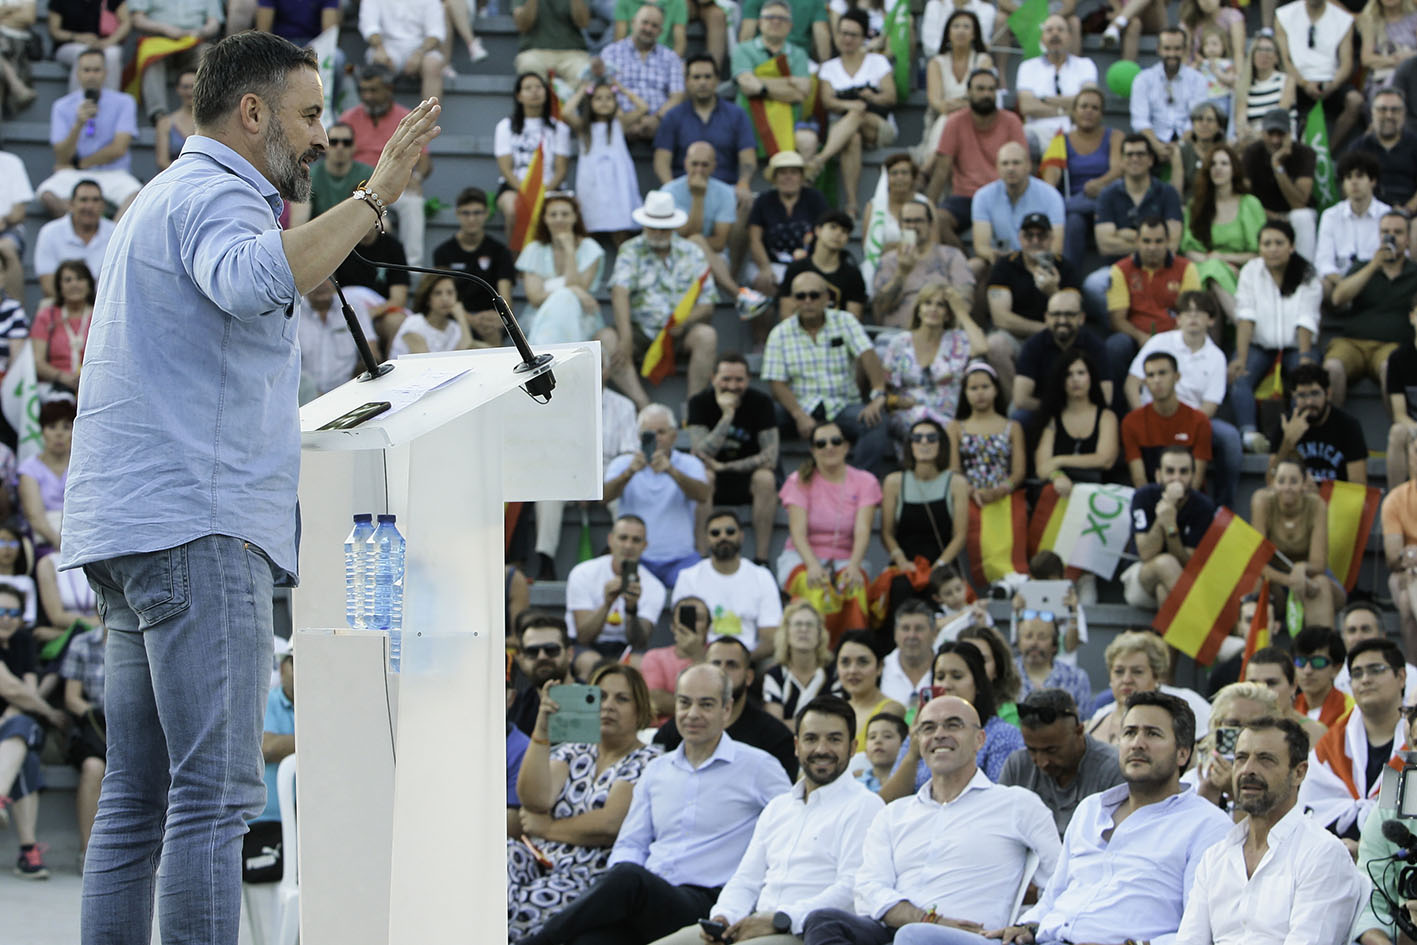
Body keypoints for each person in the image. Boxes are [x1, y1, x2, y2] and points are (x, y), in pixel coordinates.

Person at [62, 47, 416, 945]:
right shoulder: (221, 193)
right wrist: (371, 201)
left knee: (137, 801)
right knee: (216, 796)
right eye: (308, 115)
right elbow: (252, 277)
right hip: (198, 524)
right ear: (252, 114)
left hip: (134, 529)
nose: (322, 134)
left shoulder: (159, 197)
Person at [516, 664, 792, 945]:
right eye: (684, 703)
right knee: (588, 940)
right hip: (649, 897)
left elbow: (792, 829)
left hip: (709, 901)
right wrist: (620, 893)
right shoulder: (658, 770)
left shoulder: (758, 766)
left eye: (706, 704)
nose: (693, 714)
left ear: (726, 709)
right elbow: (630, 843)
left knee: (628, 877)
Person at [801, 695, 1061, 945]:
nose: (939, 734)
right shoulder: (894, 813)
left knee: (914, 936)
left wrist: (1028, 925)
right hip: (896, 930)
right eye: (928, 728)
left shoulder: (1016, 804)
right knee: (823, 921)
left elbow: (1062, 878)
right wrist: (929, 920)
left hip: (974, 936)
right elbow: (868, 889)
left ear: (979, 740)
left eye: (953, 725)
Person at [996, 692, 1233, 945]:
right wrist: (1027, 925)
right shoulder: (1091, 809)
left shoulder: (1207, 825)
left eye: (1152, 734)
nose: (1137, 743)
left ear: (1182, 754)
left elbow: (1197, 932)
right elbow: (1054, 894)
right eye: (1130, 732)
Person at [649, 696, 885, 945]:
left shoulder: (865, 806)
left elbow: (850, 890)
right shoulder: (778, 807)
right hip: (754, 925)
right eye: (811, 738)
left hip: (804, 932)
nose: (821, 749)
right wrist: (724, 917)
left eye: (834, 739)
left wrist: (779, 919)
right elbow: (746, 879)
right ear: (796, 745)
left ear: (852, 747)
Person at [1176, 717, 1365, 945]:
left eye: (1265, 760)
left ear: (1299, 773)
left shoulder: (1322, 854)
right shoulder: (1215, 857)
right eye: (1241, 758)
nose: (1248, 770)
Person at [508, 664, 662, 940]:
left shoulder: (649, 761)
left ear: (641, 710)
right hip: (540, 860)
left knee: (518, 913)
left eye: (622, 699)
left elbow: (610, 824)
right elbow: (534, 799)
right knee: (499, 860)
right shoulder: (576, 749)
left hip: (588, 874)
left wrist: (546, 829)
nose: (608, 706)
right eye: (600, 697)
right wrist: (542, 729)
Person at [763, 271, 892, 476]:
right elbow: (776, 383)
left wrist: (878, 393)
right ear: (793, 300)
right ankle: (777, 484)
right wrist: (798, 414)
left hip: (843, 405)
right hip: (799, 407)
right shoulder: (779, 333)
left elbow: (868, 355)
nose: (807, 301)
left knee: (877, 421)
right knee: (763, 418)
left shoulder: (845, 321)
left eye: (814, 295)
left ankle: (858, 485)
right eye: (800, 296)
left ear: (826, 298)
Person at [1122, 293, 1239, 501]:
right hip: (1153, 412)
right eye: (1187, 313)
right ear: (1178, 319)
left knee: (1229, 438)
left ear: (1211, 320)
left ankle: (1223, 508)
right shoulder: (1160, 341)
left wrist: (1183, 426)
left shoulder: (1217, 357)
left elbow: (1210, 405)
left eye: (1199, 313)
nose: (1192, 318)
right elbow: (1132, 384)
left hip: (1194, 419)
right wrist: (1143, 417)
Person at [606, 192, 720, 407]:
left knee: (707, 336)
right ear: (644, 225)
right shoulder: (630, 250)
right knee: (606, 339)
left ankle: (693, 407)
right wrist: (626, 336)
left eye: (664, 227)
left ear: (673, 226)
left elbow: (707, 304)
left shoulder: (693, 252)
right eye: (653, 226)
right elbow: (619, 292)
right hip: (639, 329)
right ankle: (645, 407)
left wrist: (685, 322)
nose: (658, 232)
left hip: (679, 331)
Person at [881, 640, 1027, 792]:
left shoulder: (1003, 735)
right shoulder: (920, 734)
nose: (946, 685)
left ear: (977, 684)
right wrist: (913, 754)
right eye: (940, 676)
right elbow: (887, 802)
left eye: (957, 676)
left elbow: (1001, 798)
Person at [1299, 638, 1408, 838]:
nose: (1365, 679)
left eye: (1376, 669)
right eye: (1357, 674)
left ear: (1401, 676)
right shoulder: (1332, 745)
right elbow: (1310, 811)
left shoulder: (1414, 744)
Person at [654, 636, 798, 777]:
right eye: (716, 663)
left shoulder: (775, 737)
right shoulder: (680, 728)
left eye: (732, 665)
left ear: (749, 677)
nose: (722, 671)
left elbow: (785, 798)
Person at [1081, 134, 1185, 324]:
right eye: (1129, 155)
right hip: (1119, 268)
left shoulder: (1167, 193)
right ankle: (1124, 326)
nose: (1135, 159)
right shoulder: (1108, 194)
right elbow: (1105, 244)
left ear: (1151, 160)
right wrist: (1152, 242)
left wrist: (1126, 234)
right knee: (1093, 285)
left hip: (1161, 270)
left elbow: (1172, 245)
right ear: (1121, 161)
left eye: (1140, 154)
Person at [0, 583, 66, 880]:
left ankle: (1, 800)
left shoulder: (22, 641)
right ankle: (28, 852)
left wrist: (24, 707)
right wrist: (49, 711)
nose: (7, 618)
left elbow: (26, 691)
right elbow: (10, 687)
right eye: (1, 611)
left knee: (22, 728)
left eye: (14, 612)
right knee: (26, 750)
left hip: (12, 733)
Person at [685, 354, 780, 562]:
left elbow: (770, 456)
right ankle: (702, 556)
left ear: (748, 380)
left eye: (739, 380)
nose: (732, 386)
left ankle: (761, 559)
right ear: (713, 378)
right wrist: (727, 415)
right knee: (703, 476)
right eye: (726, 379)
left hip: (747, 477)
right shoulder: (699, 403)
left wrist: (724, 467)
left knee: (766, 478)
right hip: (712, 477)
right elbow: (701, 453)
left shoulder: (761, 403)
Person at [339, 65, 435, 266]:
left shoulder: (406, 117)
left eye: (373, 90)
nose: (368, 96)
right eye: (364, 90)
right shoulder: (348, 118)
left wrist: (415, 178)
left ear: (389, 89)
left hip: (396, 184)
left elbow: (425, 161)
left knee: (414, 203)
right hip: (359, 186)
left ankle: (411, 268)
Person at [776, 420, 882, 597]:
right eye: (821, 443)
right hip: (802, 556)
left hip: (847, 558)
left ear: (846, 447)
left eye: (836, 441)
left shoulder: (866, 481)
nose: (829, 447)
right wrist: (813, 565)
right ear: (813, 451)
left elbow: (863, 531)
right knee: (815, 587)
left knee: (854, 590)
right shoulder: (799, 480)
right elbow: (797, 533)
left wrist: (854, 566)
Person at [1000, 689, 1124, 837]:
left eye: (1051, 750)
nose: (1041, 762)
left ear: (1079, 732)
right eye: (1032, 750)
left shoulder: (1112, 769)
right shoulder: (1017, 766)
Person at [926, 69, 1028, 248]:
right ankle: (963, 265)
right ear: (969, 92)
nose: (986, 94)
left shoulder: (1012, 121)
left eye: (991, 89)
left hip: (1004, 195)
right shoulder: (954, 122)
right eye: (980, 89)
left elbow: (1023, 166)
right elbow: (942, 171)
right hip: (966, 198)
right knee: (938, 222)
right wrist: (928, 209)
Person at [36, 49, 143, 219]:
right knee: (47, 194)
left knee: (137, 196)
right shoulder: (62, 106)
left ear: (105, 73)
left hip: (113, 172)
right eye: (86, 70)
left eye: (96, 70)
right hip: (74, 175)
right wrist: (78, 124)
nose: (91, 76)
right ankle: (83, 231)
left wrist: (80, 163)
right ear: (78, 73)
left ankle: (109, 238)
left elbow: (118, 149)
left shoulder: (124, 102)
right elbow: (62, 156)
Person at [983, 215, 1081, 396]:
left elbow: (1075, 317)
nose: (1035, 241)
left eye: (1041, 236)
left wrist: (1054, 292)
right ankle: (1016, 404)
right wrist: (1044, 328)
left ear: (1052, 239)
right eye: (1029, 236)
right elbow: (1000, 318)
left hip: (1056, 338)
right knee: (995, 344)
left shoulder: (1065, 267)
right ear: (1020, 238)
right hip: (1019, 337)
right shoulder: (1005, 266)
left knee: (1075, 343)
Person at [812, 11, 897, 216]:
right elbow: (826, 101)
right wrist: (852, 106)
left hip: (878, 125)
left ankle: (819, 160)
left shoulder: (877, 61)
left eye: (853, 34)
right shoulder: (829, 67)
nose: (847, 39)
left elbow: (891, 97)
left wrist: (870, 98)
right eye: (843, 33)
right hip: (845, 130)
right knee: (854, 138)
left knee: (858, 116)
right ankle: (851, 204)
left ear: (862, 37)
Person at [662, 140, 764, 309]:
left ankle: (736, 295)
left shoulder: (725, 192)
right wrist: (698, 197)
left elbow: (720, 242)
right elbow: (683, 237)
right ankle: (738, 294)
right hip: (670, 254)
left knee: (698, 242)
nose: (699, 170)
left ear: (714, 166)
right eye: (694, 164)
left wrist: (697, 240)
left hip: (712, 256)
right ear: (685, 163)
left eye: (705, 165)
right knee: (695, 239)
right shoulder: (669, 191)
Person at [1337, 211, 1417, 423]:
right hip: (1352, 344)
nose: (1391, 237)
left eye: (1398, 232)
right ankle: (1334, 436)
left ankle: (1399, 432)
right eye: (1385, 232)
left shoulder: (1415, 272)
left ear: (1408, 239)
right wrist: (1374, 265)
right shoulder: (1362, 266)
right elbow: (1338, 298)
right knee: (1332, 368)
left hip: (1391, 345)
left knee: (1391, 367)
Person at [671, 509, 782, 661]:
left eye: (730, 531)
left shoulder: (762, 576)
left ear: (741, 536)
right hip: (700, 658)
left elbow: (771, 636)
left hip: (750, 659)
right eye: (715, 533)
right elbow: (684, 633)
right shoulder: (688, 577)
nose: (723, 536)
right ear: (706, 539)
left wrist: (739, 662)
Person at [1105, 216, 1202, 388]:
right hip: (1137, 339)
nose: (1152, 247)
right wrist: (1142, 337)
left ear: (1168, 242)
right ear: (1137, 241)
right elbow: (1117, 319)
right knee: (1115, 345)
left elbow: (1190, 314)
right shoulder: (1120, 269)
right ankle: (1118, 407)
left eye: (1158, 241)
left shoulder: (1187, 268)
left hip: (1175, 339)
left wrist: (1165, 341)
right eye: (1146, 241)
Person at [652, 54, 757, 210]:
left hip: (726, 190)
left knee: (747, 201)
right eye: (696, 77)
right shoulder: (673, 116)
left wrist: (743, 183)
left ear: (716, 80)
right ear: (687, 81)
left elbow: (747, 158)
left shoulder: (737, 115)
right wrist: (672, 190)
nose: (702, 82)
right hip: (685, 190)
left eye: (708, 77)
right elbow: (662, 160)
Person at [879, 283, 985, 438]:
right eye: (927, 303)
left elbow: (982, 347)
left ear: (948, 314)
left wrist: (960, 311)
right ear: (919, 310)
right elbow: (883, 389)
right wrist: (896, 402)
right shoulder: (899, 343)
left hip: (948, 418)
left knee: (951, 430)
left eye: (940, 305)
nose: (933, 309)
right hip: (909, 415)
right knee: (924, 424)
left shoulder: (958, 340)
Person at [1120, 447, 1215, 610]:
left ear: (1192, 476)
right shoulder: (1143, 497)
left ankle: (1166, 636)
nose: (1176, 478)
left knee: (1163, 590)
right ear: (1158, 475)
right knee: (1166, 562)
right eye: (1170, 471)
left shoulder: (1203, 507)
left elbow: (1188, 563)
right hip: (1140, 577)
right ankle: (1203, 624)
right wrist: (1162, 518)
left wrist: (1171, 527)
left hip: (1180, 582)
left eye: (1183, 472)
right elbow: (1145, 553)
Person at [1251, 455, 1340, 627]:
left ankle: (1320, 650)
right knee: (1254, 581)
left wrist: (1302, 568)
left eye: (1293, 481)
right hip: (1275, 578)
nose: (1287, 487)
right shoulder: (1262, 501)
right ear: (1273, 483)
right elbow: (1257, 562)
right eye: (1281, 481)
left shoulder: (1317, 505)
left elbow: (1319, 563)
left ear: (1304, 484)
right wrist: (1290, 580)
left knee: (1320, 584)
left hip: (1309, 576)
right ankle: (1252, 649)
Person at [1181, 143, 1266, 322]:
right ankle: (1241, 323)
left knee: (1212, 282)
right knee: (1211, 273)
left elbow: (1260, 252)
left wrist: (1223, 259)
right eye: (1213, 164)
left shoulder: (1250, 204)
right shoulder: (1196, 205)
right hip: (1204, 267)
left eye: (1224, 163)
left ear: (1234, 169)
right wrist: (1215, 262)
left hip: (1243, 269)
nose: (1218, 168)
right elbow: (1189, 249)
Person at [882, 418, 970, 586]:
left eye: (931, 438)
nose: (924, 442)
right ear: (910, 445)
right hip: (905, 568)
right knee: (900, 588)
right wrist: (901, 562)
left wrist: (939, 567)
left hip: (943, 568)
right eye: (917, 438)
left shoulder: (957, 483)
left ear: (941, 444)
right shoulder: (894, 482)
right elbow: (887, 533)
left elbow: (960, 535)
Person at [566, 514, 668, 660]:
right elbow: (583, 637)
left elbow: (639, 643)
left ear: (644, 546)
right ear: (610, 540)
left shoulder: (655, 586)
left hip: (626, 648)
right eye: (623, 538)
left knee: (640, 663)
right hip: (586, 648)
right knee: (589, 661)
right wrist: (607, 603)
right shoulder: (583, 573)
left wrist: (631, 609)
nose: (628, 546)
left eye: (636, 540)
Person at [1042, 87, 1122, 271]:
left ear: (1102, 113)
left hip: (1105, 198)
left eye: (1094, 108)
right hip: (1077, 205)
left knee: (1098, 212)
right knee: (1074, 222)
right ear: (1074, 111)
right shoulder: (1061, 139)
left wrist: (1100, 183)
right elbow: (1050, 179)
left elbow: (1118, 168)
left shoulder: (1115, 136)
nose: (1088, 111)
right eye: (1083, 106)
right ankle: (1071, 280)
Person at [492, 72, 572, 250]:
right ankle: (515, 265)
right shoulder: (505, 127)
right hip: (515, 187)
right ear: (519, 95)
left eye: (539, 87)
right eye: (528, 88)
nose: (534, 92)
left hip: (550, 188)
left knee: (559, 213)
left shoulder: (560, 129)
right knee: (513, 210)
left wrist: (541, 193)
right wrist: (527, 193)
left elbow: (560, 170)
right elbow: (506, 169)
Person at [516, 192, 607, 347]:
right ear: (544, 218)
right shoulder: (533, 250)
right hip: (539, 316)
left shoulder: (591, 249)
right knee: (564, 298)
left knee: (567, 298)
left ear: (575, 217)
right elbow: (535, 298)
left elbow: (578, 293)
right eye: (553, 214)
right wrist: (574, 290)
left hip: (582, 317)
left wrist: (569, 249)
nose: (559, 219)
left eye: (565, 214)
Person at [872, 201, 976, 330]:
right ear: (900, 225)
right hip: (896, 336)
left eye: (918, 221)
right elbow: (880, 310)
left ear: (930, 225)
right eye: (907, 221)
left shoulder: (952, 256)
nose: (913, 226)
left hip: (941, 335)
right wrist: (902, 272)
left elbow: (964, 304)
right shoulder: (888, 260)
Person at [1274, 0, 1364, 149]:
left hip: (1329, 80)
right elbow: (1285, 61)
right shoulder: (1284, 15)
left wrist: (1332, 85)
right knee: (1284, 99)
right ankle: (1286, 149)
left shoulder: (1343, 19)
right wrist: (1304, 83)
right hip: (1296, 79)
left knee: (1355, 102)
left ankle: (1328, 150)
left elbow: (1346, 64)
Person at [730, 0, 813, 161]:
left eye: (782, 19)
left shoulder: (798, 54)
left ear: (790, 26)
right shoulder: (743, 50)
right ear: (760, 23)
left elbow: (801, 93)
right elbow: (747, 85)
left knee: (808, 140)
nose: (776, 21)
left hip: (790, 120)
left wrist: (760, 85)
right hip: (751, 119)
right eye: (770, 17)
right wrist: (789, 82)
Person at [1264, 361, 1368, 484]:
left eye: (1315, 393)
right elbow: (1271, 482)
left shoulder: (1348, 426)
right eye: (1301, 395)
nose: (1309, 402)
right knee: (1261, 498)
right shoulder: (1286, 424)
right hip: (1298, 499)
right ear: (1293, 397)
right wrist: (1287, 442)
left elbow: (1358, 486)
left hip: (1336, 498)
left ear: (1328, 393)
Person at [745, 150, 829, 300]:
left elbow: (826, 234)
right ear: (774, 178)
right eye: (782, 173)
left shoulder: (815, 199)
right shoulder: (763, 201)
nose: (788, 177)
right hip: (771, 263)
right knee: (762, 282)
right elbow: (754, 239)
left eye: (793, 172)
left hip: (810, 264)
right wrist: (765, 268)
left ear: (802, 177)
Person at [1122, 352, 1212, 490]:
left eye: (1162, 373)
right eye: (1151, 375)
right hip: (1151, 500)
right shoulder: (1131, 422)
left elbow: (1196, 480)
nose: (1157, 380)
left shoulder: (1199, 421)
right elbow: (1139, 479)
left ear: (1177, 376)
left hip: (1189, 503)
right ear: (1145, 382)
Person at [1013, 289, 1109, 416]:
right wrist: (1060, 410)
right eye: (1056, 314)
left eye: (1069, 314)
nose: (1062, 320)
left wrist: (1074, 412)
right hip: (1045, 410)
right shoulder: (1033, 346)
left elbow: (1106, 398)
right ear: (1046, 318)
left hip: (1084, 412)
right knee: (1018, 414)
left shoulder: (1096, 347)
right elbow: (1021, 399)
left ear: (1081, 318)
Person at [1035, 350, 1119, 496]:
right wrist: (1057, 476)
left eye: (1081, 373)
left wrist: (1059, 461)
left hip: (1099, 496)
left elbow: (1105, 460)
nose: (1075, 379)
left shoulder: (1106, 417)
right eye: (1068, 374)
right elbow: (1042, 469)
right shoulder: (1052, 419)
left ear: (1091, 377)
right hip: (1059, 495)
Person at [916, 10, 994, 164]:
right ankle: (933, 163)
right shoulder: (936, 63)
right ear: (948, 33)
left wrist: (956, 105)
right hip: (941, 118)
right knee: (947, 120)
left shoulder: (983, 60)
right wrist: (964, 102)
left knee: (949, 119)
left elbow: (981, 98)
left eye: (966, 27)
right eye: (956, 26)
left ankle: (928, 168)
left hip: (976, 119)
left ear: (974, 34)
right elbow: (937, 103)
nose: (961, 31)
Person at [598, 4, 684, 142]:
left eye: (654, 26)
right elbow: (603, 90)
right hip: (617, 121)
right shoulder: (611, 53)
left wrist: (656, 118)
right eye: (645, 23)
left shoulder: (671, 57)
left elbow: (677, 96)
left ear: (661, 31)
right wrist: (625, 120)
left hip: (659, 124)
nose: (648, 29)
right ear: (633, 23)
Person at [61, 617, 107, 870]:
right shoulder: (83, 643)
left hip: (138, 721)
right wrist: (98, 713)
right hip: (95, 724)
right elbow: (72, 699)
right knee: (92, 768)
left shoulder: (146, 638)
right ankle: (88, 852)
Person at [972, 144, 1065, 267]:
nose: (1010, 168)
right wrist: (995, 255)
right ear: (997, 167)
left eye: (1016, 163)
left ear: (1028, 166)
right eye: (1005, 164)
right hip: (1001, 262)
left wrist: (1026, 261)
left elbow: (1056, 247)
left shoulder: (1050, 195)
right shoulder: (983, 196)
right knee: (974, 266)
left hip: (1039, 262)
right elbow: (981, 246)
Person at [1129, 27, 1209, 171]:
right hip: (1152, 140)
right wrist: (1157, 145)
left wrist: (1179, 146)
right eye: (1167, 48)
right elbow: (1140, 120)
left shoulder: (1198, 80)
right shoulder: (1143, 79)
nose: (1172, 54)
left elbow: (1196, 119)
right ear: (1158, 49)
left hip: (1187, 141)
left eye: (1177, 49)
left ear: (1185, 50)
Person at [946, 362, 1024, 508]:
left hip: (1005, 498)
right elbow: (953, 469)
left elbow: (1018, 472)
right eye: (973, 388)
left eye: (985, 387)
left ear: (996, 390)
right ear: (965, 393)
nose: (980, 393)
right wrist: (970, 491)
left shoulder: (1013, 427)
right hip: (966, 498)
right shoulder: (955, 427)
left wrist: (1000, 491)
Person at [431, 186, 517, 317]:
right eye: (466, 213)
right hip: (455, 318)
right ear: (457, 213)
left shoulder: (500, 251)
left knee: (494, 328)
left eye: (477, 213)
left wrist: (493, 318)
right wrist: (470, 320)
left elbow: (505, 299)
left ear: (487, 213)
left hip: (490, 318)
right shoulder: (442, 252)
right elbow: (444, 297)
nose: (472, 219)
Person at [1241, 108, 1316, 259]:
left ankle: (1305, 272)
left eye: (1280, 134)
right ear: (1263, 133)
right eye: (1271, 134)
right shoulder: (1252, 153)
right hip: (1262, 213)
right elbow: (1244, 196)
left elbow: (1299, 203)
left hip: (1293, 215)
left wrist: (1277, 165)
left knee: (1303, 216)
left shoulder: (1305, 153)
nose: (1275, 140)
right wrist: (1272, 215)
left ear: (1290, 134)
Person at [129, 0, 219, 123]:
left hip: (194, 40)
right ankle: (159, 115)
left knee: (207, 53)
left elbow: (214, 23)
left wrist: (200, 32)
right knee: (151, 59)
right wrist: (164, 28)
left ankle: (206, 111)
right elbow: (138, 19)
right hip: (159, 39)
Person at [1014, 15, 1097, 149]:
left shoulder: (1085, 65)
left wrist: (1043, 99)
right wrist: (1067, 109)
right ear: (1042, 38)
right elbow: (1027, 106)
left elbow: (1088, 101)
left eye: (1060, 30)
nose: (1055, 34)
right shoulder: (1027, 66)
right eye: (1049, 30)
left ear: (1070, 37)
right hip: (1037, 131)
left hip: (1076, 131)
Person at [1313, 150, 1389, 297]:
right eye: (1348, 178)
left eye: (1360, 176)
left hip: (1377, 281)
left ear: (1373, 181)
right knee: (1319, 285)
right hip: (1340, 285)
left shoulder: (1386, 214)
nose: (1354, 182)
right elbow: (1323, 262)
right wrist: (1345, 284)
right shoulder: (1330, 215)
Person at [777, 210, 867, 321]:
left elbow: (854, 320)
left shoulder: (853, 275)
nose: (838, 234)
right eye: (833, 227)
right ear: (818, 230)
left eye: (844, 231)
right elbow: (786, 314)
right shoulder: (796, 269)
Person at [296, 279, 376, 402]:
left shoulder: (352, 307)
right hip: (304, 398)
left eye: (326, 277)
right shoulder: (294, 312)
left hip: (350, 394)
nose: (321, 284)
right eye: (316, 278)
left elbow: (372, 352)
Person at [30, 260, 96, 398]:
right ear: (59, 287)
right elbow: (38, 361)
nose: (74, 284)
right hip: (56, 386)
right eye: (68, 280)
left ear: (89, 285)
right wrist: (62, 377)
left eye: (80, 278)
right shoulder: (47, 316)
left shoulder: (100, 315)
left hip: (95, 385)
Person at [288, 121, 374, 225]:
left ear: (354, 146)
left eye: (346, 142)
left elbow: (377, 215)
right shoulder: (310, 175)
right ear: (326, 146)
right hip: (319, 234)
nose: (340, 147)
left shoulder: (368, 174)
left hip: (357, 232)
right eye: (334, 142)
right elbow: (298, 223)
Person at [358, 0, 446, 102]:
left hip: (420, 47)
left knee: (433, 64)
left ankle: (429, 116)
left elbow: (436, 33)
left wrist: (419, 53)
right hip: (387, 46)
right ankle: (380, 114)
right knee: (379, 61)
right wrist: (380, 48)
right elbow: (369, 27)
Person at [763, 600, 834, 722]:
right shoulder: (775, 675)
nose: (804, 629)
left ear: (820, 633)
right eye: (798, 624)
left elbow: (837, 721)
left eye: (810, 624)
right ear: (786, 632)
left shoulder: (833, 674)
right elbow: (775, 727)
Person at [19, 400, 75, 554]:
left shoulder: (82, 466)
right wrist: (62, 545)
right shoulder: (29, 468)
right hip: (45, 543)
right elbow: (35, 518)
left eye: (66, 427)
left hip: (79, 539)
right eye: (52, 427)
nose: (59, 434)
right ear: (42, 431)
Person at [1349, 87, 1417, 214]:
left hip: (1410, 216)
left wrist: (1405, 211)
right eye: (1382, 109)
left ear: (1404, 113)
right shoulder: (1359, 147)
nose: (1389, 115)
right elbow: (1350, 185)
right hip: (1368, 214)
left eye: (1395, 110)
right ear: (1372, 112)